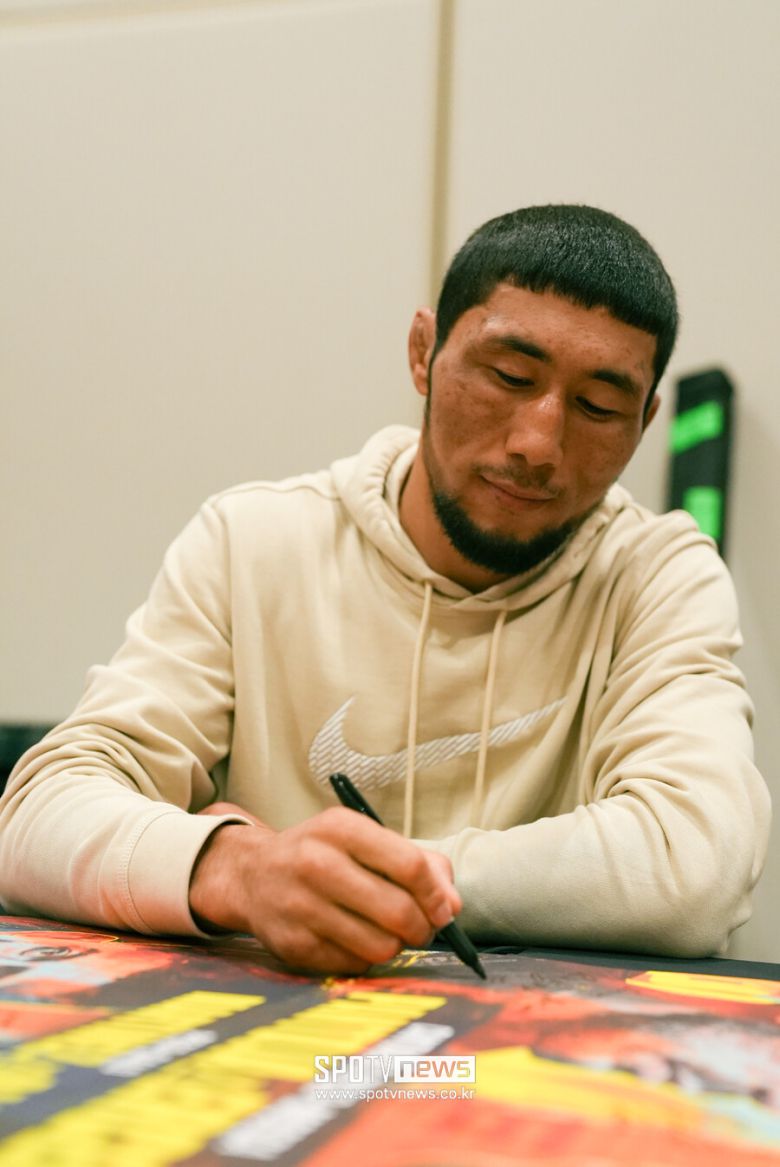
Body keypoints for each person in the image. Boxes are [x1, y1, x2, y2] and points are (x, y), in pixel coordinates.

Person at [0, 205, 769, 974]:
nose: (538, 443)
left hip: (520, 1042)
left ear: (644, 421)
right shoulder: (253, 543)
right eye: (509, 377)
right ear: (424, 353)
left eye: (598, 407)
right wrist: (237, 870)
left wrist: (345, 876)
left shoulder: (659, 576)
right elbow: (38, 812)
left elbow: (694, 865)